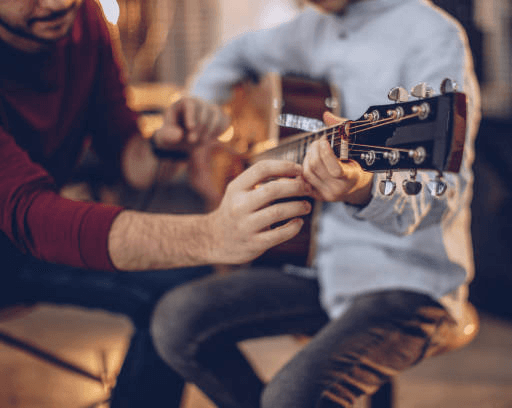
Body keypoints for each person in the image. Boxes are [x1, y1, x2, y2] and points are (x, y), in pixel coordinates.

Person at [150, 0, 482, 407]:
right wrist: (204, 99)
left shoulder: (432, 34)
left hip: (409, 281)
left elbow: (438, 195)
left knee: (290, 397)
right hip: (320, 267)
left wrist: (363, 188)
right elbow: (235, 52)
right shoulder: (309, 29)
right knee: (176, 320)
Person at [0, 0, 313, 407]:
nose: (59, 3)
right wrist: (212, 234)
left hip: (27, 235)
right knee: (182, 276)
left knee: (183, 286)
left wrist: (165, 144)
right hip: (15, 240)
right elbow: (31, 218)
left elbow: (126, 156)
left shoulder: (85, 17)